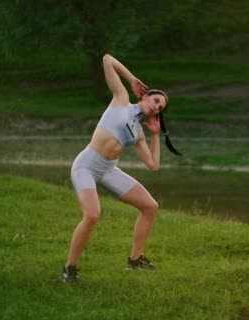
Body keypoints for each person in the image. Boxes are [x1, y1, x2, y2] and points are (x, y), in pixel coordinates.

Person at [62, 54, 180, 283]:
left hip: (108, 170)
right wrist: (132, 78)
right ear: (145, 96)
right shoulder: (121, 99)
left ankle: (135, 260)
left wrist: (155, 136)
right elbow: (107, 60)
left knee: (150, 206)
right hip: (86, 165)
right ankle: (69, 268)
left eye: (161, 108)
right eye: (156, 101)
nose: (157, 108)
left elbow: (153, 165)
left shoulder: (138, 134)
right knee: (92, 215)